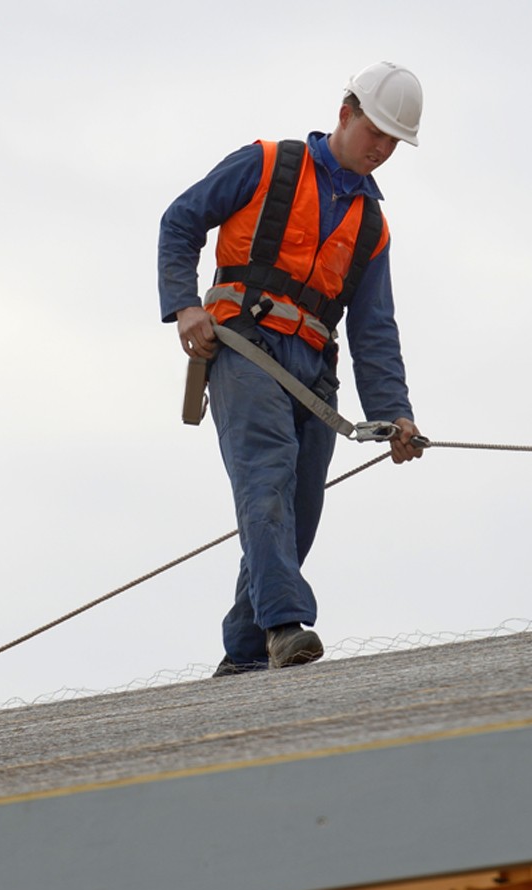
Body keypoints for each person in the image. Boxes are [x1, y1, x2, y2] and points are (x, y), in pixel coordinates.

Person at [157, 62, 425, 676]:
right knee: (266, 479)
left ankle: (246, 656)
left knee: (299, 508)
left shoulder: (372, 227)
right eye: (375, 132)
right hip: (244, 345)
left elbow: (374, 330)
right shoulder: (267, 163)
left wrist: (394, 415)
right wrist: (184, 305)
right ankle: (285, 622)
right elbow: (180, 219)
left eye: (393, 141)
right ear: (345, 114)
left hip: (314, 369)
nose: (381, 149)